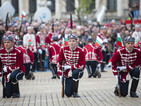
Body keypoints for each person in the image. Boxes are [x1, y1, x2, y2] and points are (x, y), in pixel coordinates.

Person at [57, 33, 85, 98]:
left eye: (73, 41)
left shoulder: (81, 51)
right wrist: (60, 75)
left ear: (76, 41)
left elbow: (82, 65)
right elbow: (59, 62)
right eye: (70, 41)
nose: (71, 43)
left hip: (77, 70)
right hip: (67, 72)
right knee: (68, 94)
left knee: (75, 73)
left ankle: (75, 92)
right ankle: (71, 89)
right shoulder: (63, 49)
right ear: (68, 42)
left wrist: (70, 67)